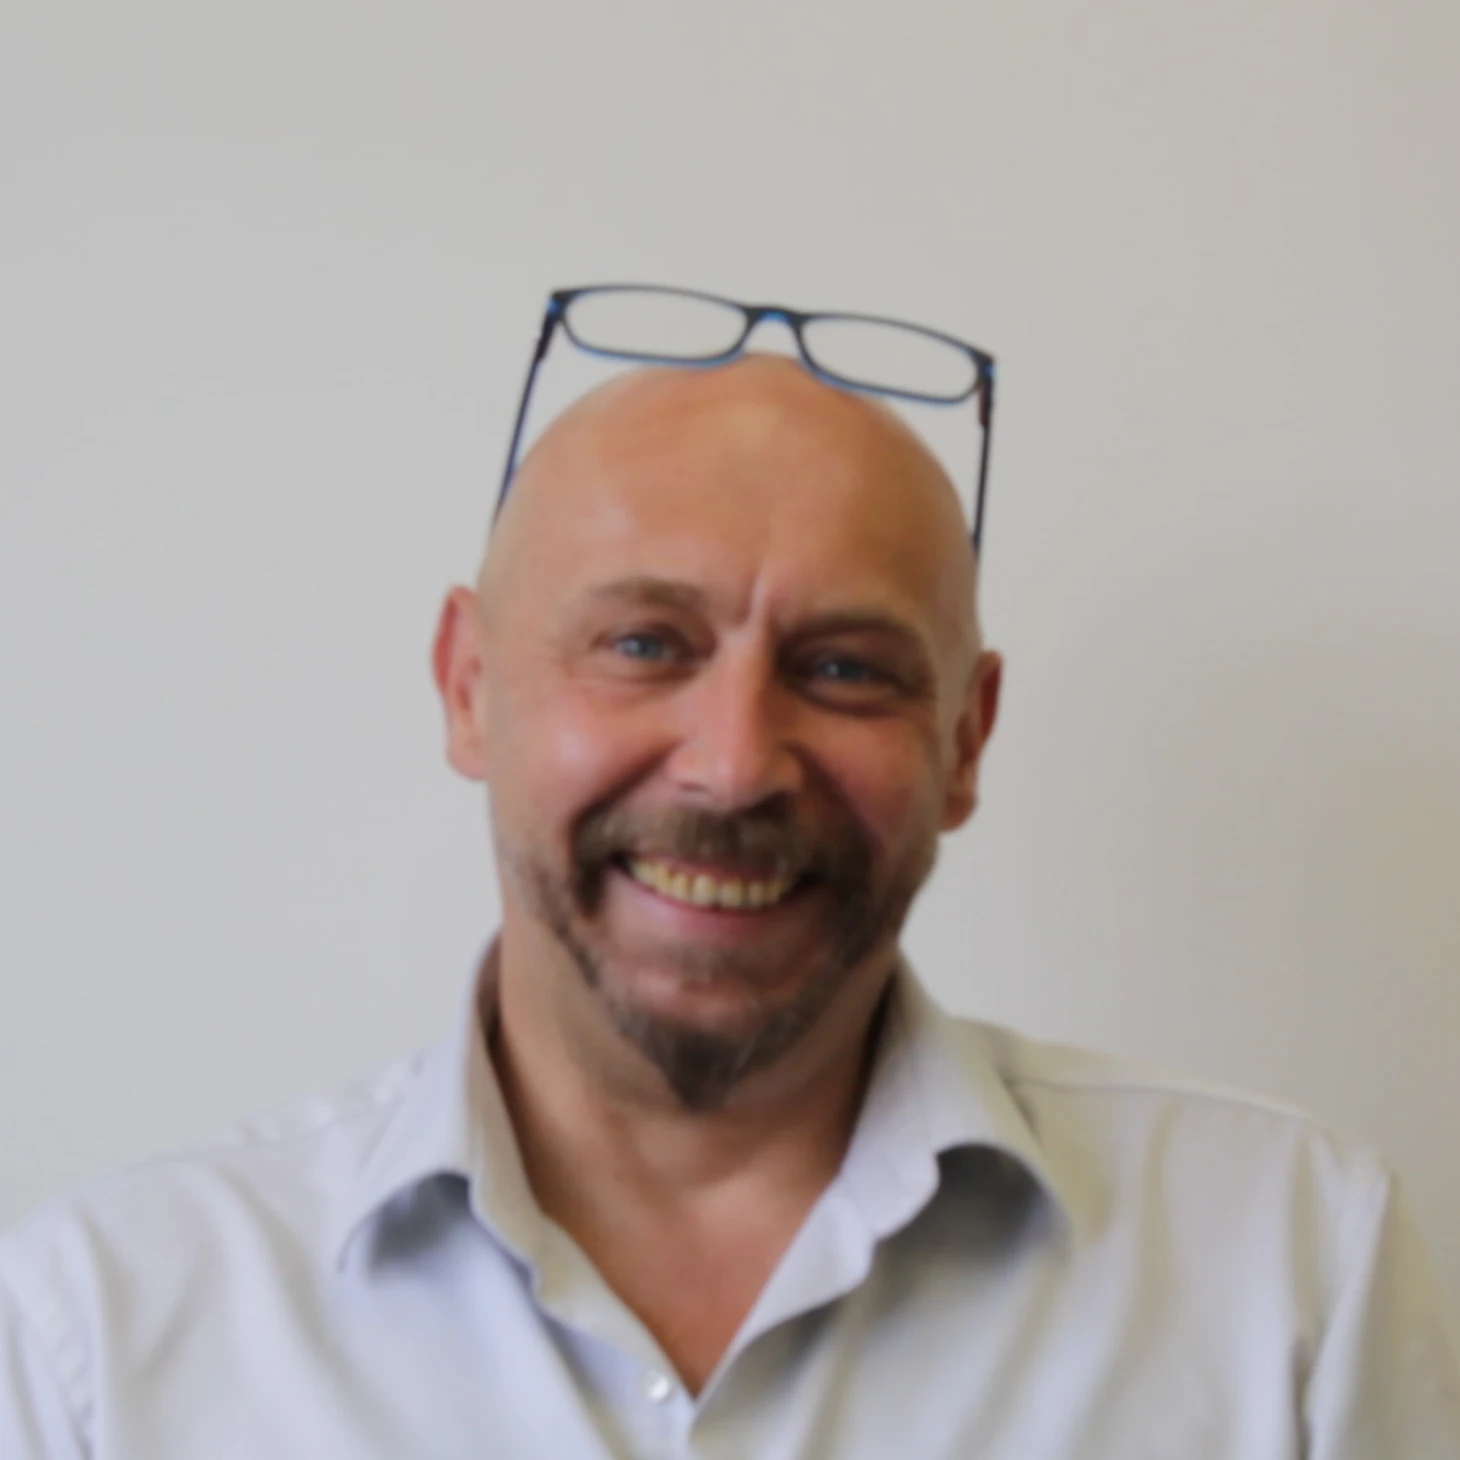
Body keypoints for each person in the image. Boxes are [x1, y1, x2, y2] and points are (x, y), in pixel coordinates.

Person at [2, 347, 1458, 1459]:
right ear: (470, 687)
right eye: (645, 643)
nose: (735, 763)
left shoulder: (1293, 1269)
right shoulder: (102, 1335)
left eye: (846, 669)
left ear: (964, 741)